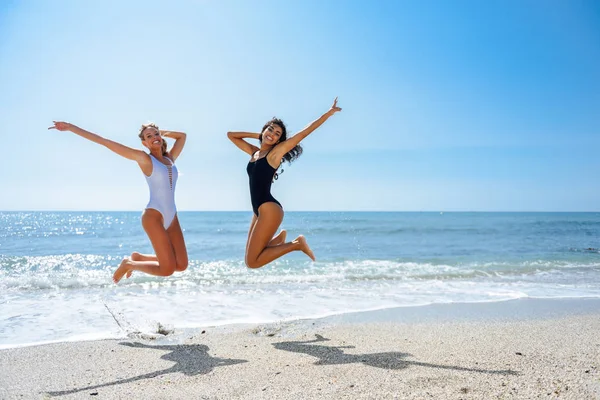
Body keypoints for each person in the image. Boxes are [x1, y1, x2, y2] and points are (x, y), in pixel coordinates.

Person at [48, 121, 188, 283]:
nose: (154, 138)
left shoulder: (170, 158)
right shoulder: (144, 159)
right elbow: (105, 142)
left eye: (156, 134)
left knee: (181, 264)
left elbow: (182, 137)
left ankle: (139, 257)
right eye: (148, 137)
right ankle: (129, 264)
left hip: (172, 216)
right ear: (144, 143)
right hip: (154, 216)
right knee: (166, 270)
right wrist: (71, 128)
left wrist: (159, 132)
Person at [227, 98, 342, 269]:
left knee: (253, 262)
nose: (271, 134)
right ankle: (279, 240)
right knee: (249, 259)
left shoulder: (275, 154)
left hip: (269, 209)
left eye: (276, 134)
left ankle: (297, 244)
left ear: (279, 141)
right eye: (270, 130)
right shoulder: (255, 153)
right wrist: (258, 136)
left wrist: (328, 113)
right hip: (258, 211)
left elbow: (304, 133)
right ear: (264, 129)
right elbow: (231, 135)